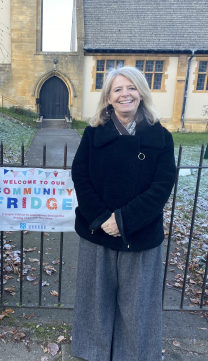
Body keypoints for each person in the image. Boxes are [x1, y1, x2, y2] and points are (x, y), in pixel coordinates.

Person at [71, 66, 176, 361]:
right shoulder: (93, 134)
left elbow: (162, 185)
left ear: (141, 94)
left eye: (131, 88)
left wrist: (124, 220)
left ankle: (136, 355)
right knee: (95, 301)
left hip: (140, 233)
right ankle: (93, 352)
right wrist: (104, 218)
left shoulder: (161, 137)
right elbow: (80, 176)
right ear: (108, 99)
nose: (125, 94)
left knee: (138, 305)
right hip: (97, 230)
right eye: (117, 89)